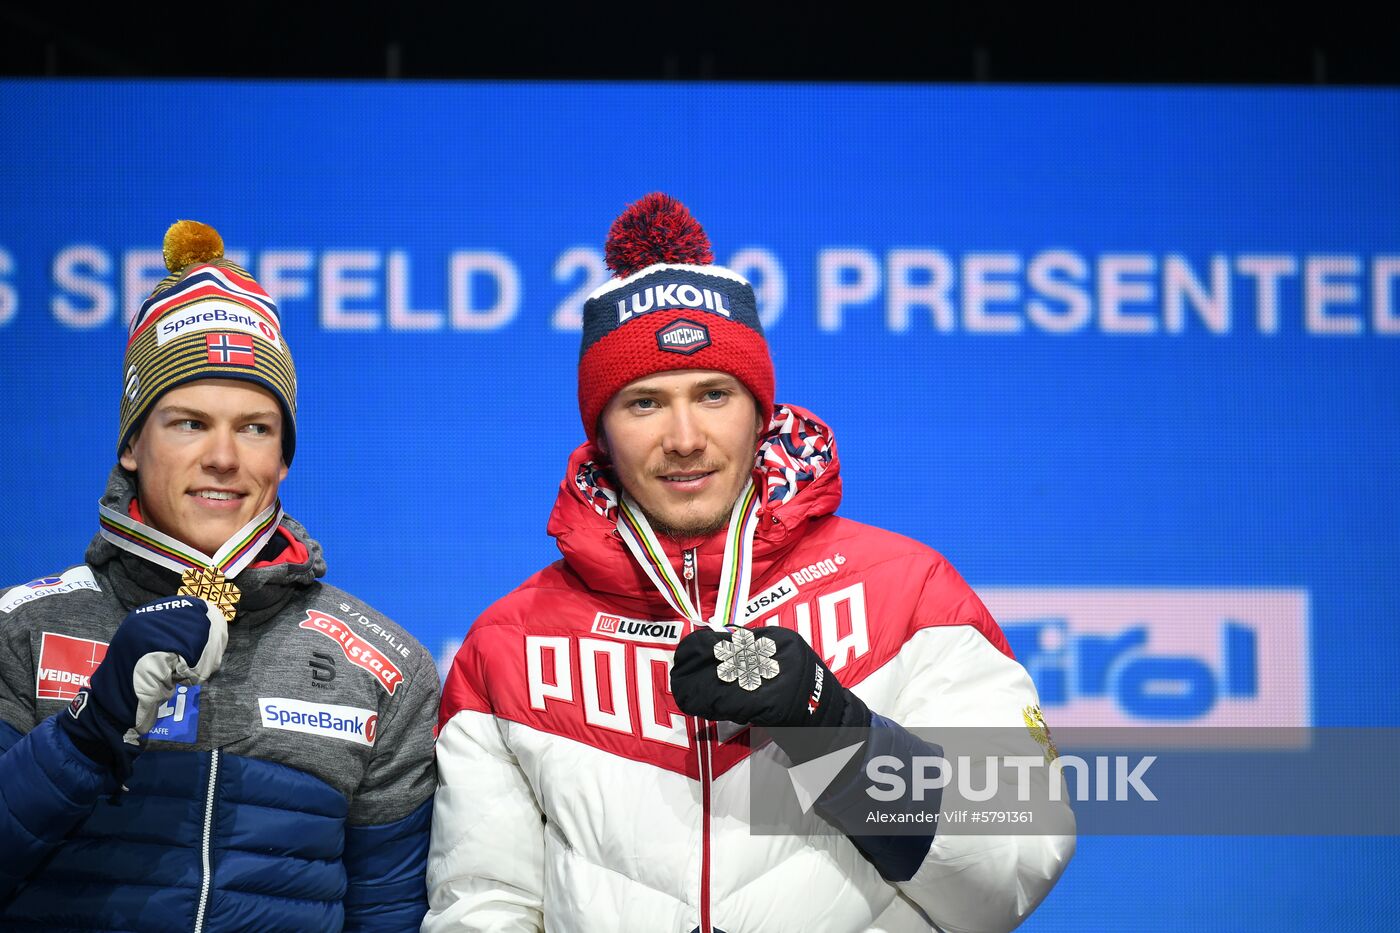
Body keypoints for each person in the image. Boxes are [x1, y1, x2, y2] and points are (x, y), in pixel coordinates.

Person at [425, 194, 1075, 933]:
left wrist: (835, 733)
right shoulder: (508, 646)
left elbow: (1013, 868)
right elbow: (482, 910)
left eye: (713, 394)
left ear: (760, 411)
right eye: (643, 403)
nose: (685, 436)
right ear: (600, 431)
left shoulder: (911, 592)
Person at [0, 221, 439, 931]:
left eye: (256, 427)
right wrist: (91, 728)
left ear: (284, 457)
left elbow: (388, 914)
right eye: (189, 422)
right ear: (133, 445)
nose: (224, 457)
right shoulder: (21, 630)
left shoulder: (386, 668)